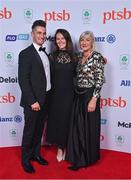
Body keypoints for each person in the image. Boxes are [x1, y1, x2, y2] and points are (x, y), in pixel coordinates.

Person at [66, 31, 105, 170]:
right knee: (77, 127)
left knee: (88, 127)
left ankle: (86, 159)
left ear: (92, 42)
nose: (84, 43)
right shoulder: (78, 56)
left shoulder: (97, 57)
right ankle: (77, 157)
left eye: (87, 40)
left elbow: (100, 80)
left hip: (90, 96)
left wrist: (94, 99)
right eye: (82, 40)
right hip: (78, 95)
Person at [18, 20, 51, 173]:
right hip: (33, 102)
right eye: (39, 33)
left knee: (39, 131)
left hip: (45, 100)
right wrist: (32, 101)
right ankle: (25, 160)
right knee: (30, 131)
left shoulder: (45, 53)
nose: (42, 36)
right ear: (32, 34)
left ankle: (36, 155)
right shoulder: (25, 54)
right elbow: (23, 80)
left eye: (44, 33)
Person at [46, 29, 77, 162]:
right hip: (55, 95)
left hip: (70, 95)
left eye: (62, 38)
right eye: (57, 39)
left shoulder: (76, 57)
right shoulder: (51, 56)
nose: (60, 41)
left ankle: (67, 146)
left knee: (68, 121)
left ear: (67, 40)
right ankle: (60, 147)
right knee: (57, 121)